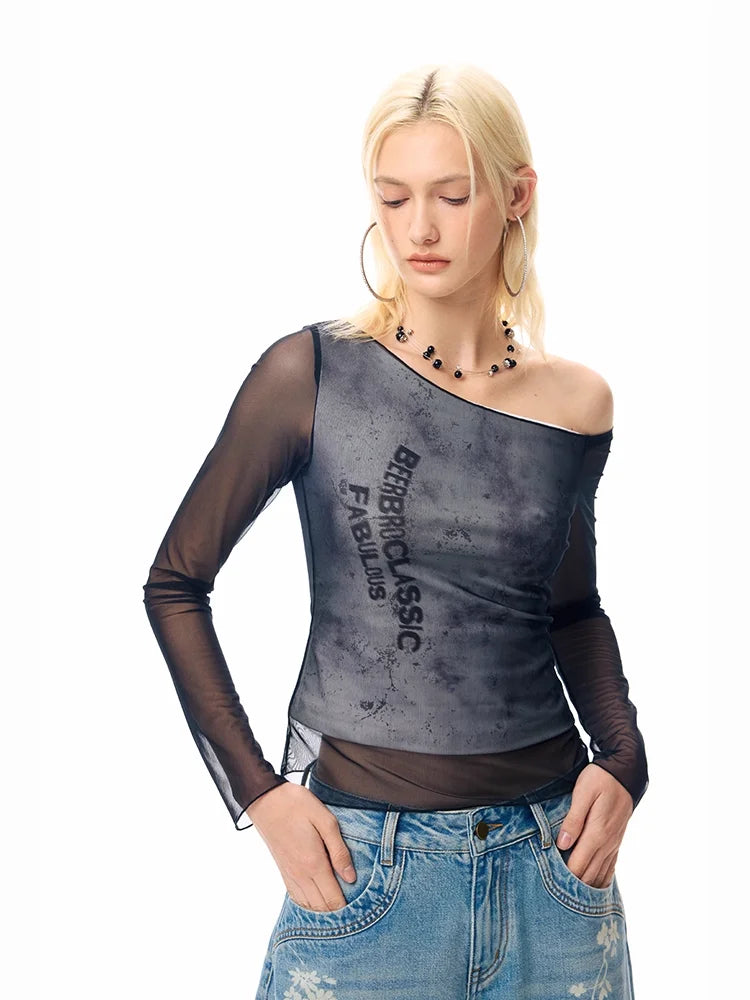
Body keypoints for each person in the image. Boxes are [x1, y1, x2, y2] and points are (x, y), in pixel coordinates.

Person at [143, 62, 648, 999]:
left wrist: (625, 762)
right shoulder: (312, 374)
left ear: (516, 197)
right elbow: (175, 582)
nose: (419, 229)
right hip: (367, 876)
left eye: (452, 196)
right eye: (394, 196)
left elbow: (571, 609)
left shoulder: (577, 403)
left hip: (557, 875)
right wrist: (260, 793)